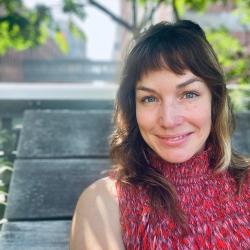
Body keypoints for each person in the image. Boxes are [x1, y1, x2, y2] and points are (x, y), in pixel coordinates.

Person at [70, 20, 250, 250]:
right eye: (150, 98)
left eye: (189, 94)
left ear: (215, 101)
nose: (168, 120)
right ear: (133, 109)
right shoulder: (102, 204)